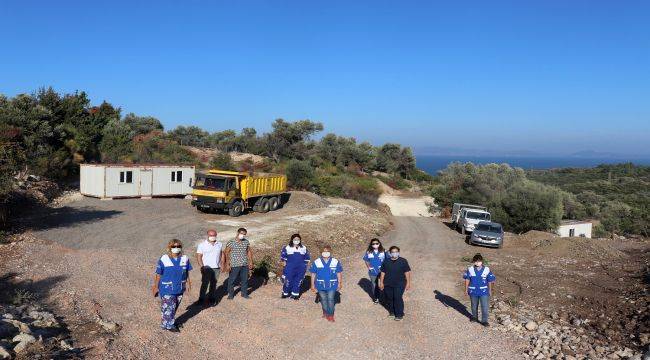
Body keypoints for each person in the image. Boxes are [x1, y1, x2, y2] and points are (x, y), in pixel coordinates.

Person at [152, 239, 192, 332]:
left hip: (180, 287)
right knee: (169, 307)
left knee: (174, 306)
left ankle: (168, 322)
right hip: (167, 288)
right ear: (169, 248)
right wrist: (155, 287)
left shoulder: (185, 258)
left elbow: (187, 272)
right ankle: (168, 325)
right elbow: (158, 274)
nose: (176, 248)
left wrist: (189, 283)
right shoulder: (164, 259)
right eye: (174, 246)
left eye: (178, 246)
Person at [309, 245, 342, 322]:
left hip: (332, 284)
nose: (326, 253)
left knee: (330, 299)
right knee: (323, 299)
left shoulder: (335, 261)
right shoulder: (316, 262)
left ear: (330, 252)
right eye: (324, 251)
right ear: (321, 252)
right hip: (320, 285)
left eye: (327, 251)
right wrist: (312, 285)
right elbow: (313, 274)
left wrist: (340, 283)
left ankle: (330, 315)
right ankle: (325, 311)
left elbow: (339, 273)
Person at [379, 246, 411, 321]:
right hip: (388, 283)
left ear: (399, 252)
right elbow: (383, 272)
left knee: (397, 297)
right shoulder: (386, 261)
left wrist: (408, 283)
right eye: (393, 252)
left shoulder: (403, 261)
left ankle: (399, 314)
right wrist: (381, 282)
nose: (394, 253)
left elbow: (407, 272)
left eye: (396, 251)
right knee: (390, 298)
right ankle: (392, 312)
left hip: (400, 283)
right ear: (389, 253)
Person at [463, 253, 496, 327]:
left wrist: (490, 290)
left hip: (484, 291)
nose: (477, 263)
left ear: (482, 261)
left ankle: (484, 321)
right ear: (473, 261)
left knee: (484, 306)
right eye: (476, 261)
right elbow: (467, 279)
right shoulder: (470, 269)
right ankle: (474, 317)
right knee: (474, 305)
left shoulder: (487, 269)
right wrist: (466, 289)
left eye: (479, 261)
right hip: (473, 291)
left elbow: (490, 280)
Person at [196, 229, 224, 306]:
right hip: (207, 268)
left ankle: (211, 298)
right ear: (207, 235)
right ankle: (201, 299)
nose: (213, 237)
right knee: (205, 284)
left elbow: (221, 254)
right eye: (211, 235)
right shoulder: (202, 245)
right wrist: (202, 267)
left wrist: (222, 264)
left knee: (214, 284)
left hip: (216, 268)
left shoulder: (219, 244)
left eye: (214, 235)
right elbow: (199, 256)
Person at [224, 228, 253, 300]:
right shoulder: (231, 242)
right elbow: (226, 253)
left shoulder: (246, 242)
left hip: (244, 264)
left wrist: (251, 261)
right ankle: (231, 294)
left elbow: (248, 251)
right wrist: (227, 264)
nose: (242, 235)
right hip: (234, 264)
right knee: (232, 280)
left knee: (245, 279)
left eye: (244, 234)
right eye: (241, 233)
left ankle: (244, 294)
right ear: (237, 233)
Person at [280, 233, 311, 300]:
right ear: (292, 240)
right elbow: (283, 257)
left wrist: (305, 265)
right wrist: (283, 262)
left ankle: (295, 294)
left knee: (298, 280)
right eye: (295, 239)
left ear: (300, 240)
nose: (296, 240)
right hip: (290, 267)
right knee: (288, 280)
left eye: (298, 239)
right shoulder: (287, 247)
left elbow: (307, 257)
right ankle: (285, 292)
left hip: (301, 268)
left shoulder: (303, 248)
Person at [362, 238, 386, 304]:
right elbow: (366, 260)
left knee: (384, 284)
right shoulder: (368, 252)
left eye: (376, 243)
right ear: (371, 245)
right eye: (373, 244)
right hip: (373, 271)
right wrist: (369, 267)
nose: (375, 245)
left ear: (379, 243)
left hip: (383, 271)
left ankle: (385, 297)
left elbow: (388, 260)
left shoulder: (383, 251)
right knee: (374, 285)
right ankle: (376, 298)